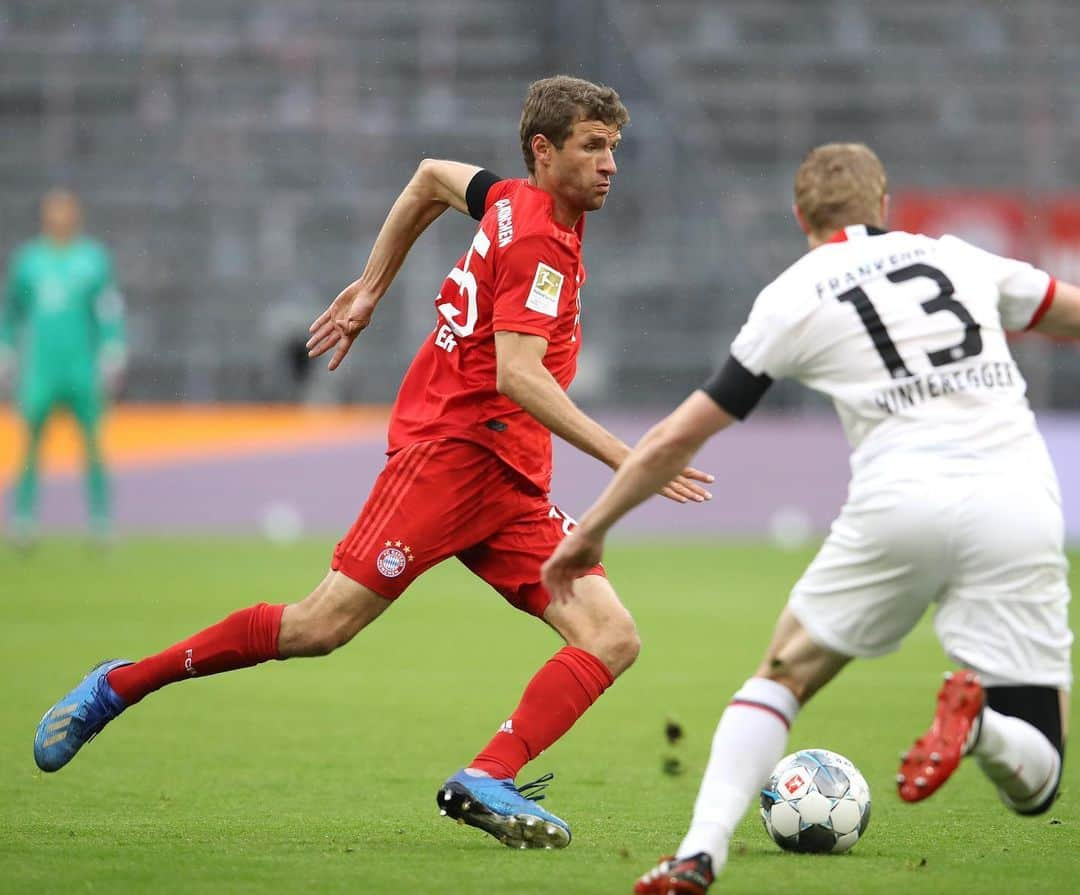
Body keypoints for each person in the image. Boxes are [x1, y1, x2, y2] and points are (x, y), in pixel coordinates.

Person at [33, 76, 713, 850]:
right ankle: (120, 684)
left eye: (614, 148)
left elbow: (428, 175)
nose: (610, 165)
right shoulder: (537, 242)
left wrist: (369, 290)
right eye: (593, 147)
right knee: (319, 626)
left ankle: (486, 774)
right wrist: (634, 459)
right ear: (543, 150)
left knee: (611, 634)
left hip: (510, 478)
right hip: (449, 458)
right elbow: (515, 374)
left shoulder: (510, 201)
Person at [542, 142, 1075, 892]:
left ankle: (699, 852)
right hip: (1017, 498)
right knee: (1039, 776)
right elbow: (1070, 313)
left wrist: (592, 527)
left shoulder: (794, 293)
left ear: (801, 217)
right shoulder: (960, 259)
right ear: (883, 204)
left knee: (781, 676)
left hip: (899, 502)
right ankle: (982, 726)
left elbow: (677, 436)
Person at [0, 189, 126, 543]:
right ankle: (23, 518)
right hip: (40, 367)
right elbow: (11, 311)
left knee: (92, 444)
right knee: (29, 444)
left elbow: (107, 308)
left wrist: (113, 346)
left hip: (80, 367)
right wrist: (6, 347)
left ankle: (100, 520)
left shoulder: (92, 260)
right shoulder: (28, 261)